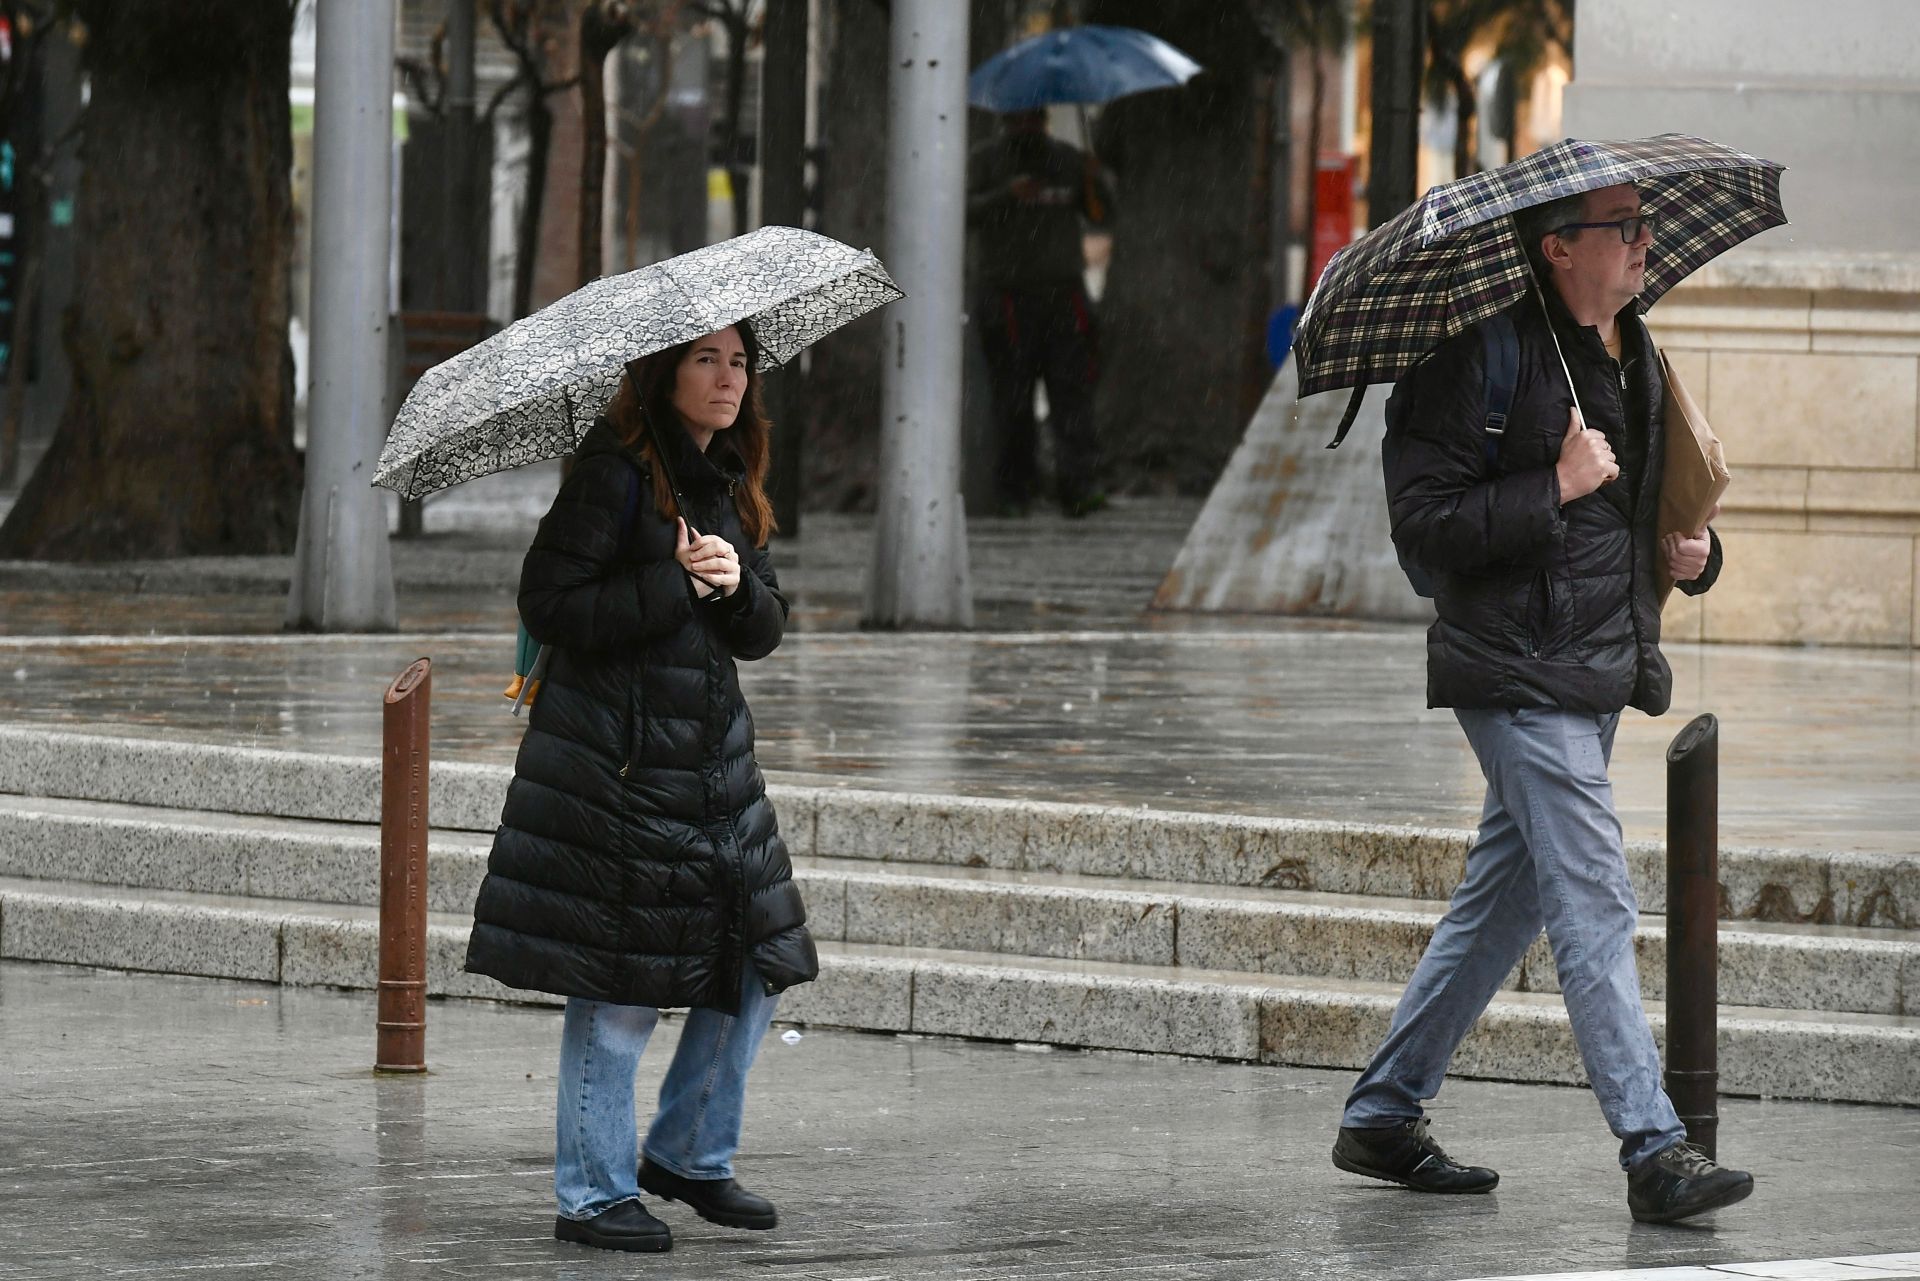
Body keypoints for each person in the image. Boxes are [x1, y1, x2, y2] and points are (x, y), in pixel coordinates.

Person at [1331, 183, 1753, 1226]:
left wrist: (1695, 559)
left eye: (1648, 227)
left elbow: (1649, 511)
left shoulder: (1634, 351)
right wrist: (1553, 486)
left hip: (1596, 670)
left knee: (1503, 902)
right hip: (1514, 671)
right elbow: (1423, 530)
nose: (1647, 243)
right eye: (1625, 230)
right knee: (1594, 891)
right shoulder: (1475, 355)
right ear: (1559, 247)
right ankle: (1654, 1148)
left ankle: (1383, 1114)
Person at [465, 324, 817, 1254]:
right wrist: (672, 585)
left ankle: (689, 1154)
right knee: (620, 988)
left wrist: (737, 584)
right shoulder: (614, 473)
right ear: (663, 376)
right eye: (706, 359)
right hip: (615, 771)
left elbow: (766, 626)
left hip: (712, 771)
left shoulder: (729, 478)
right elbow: (548, 601)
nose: (728, 377)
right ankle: (592, 1190)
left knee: (755, 962)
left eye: (740, 361)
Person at [966, 107, 1114, 517]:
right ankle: (1016, 490)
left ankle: (1080, 486)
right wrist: (1006, 195)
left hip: (1064, 296)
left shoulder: (1069, 160)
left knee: (1072, 396)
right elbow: (963, 211)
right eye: (1019, 119)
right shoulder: (985, 160)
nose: (1027, 127)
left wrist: (1094, 178)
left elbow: (1102, 213)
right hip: (1008, 298)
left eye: (1034, 118)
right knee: (1012, 401)